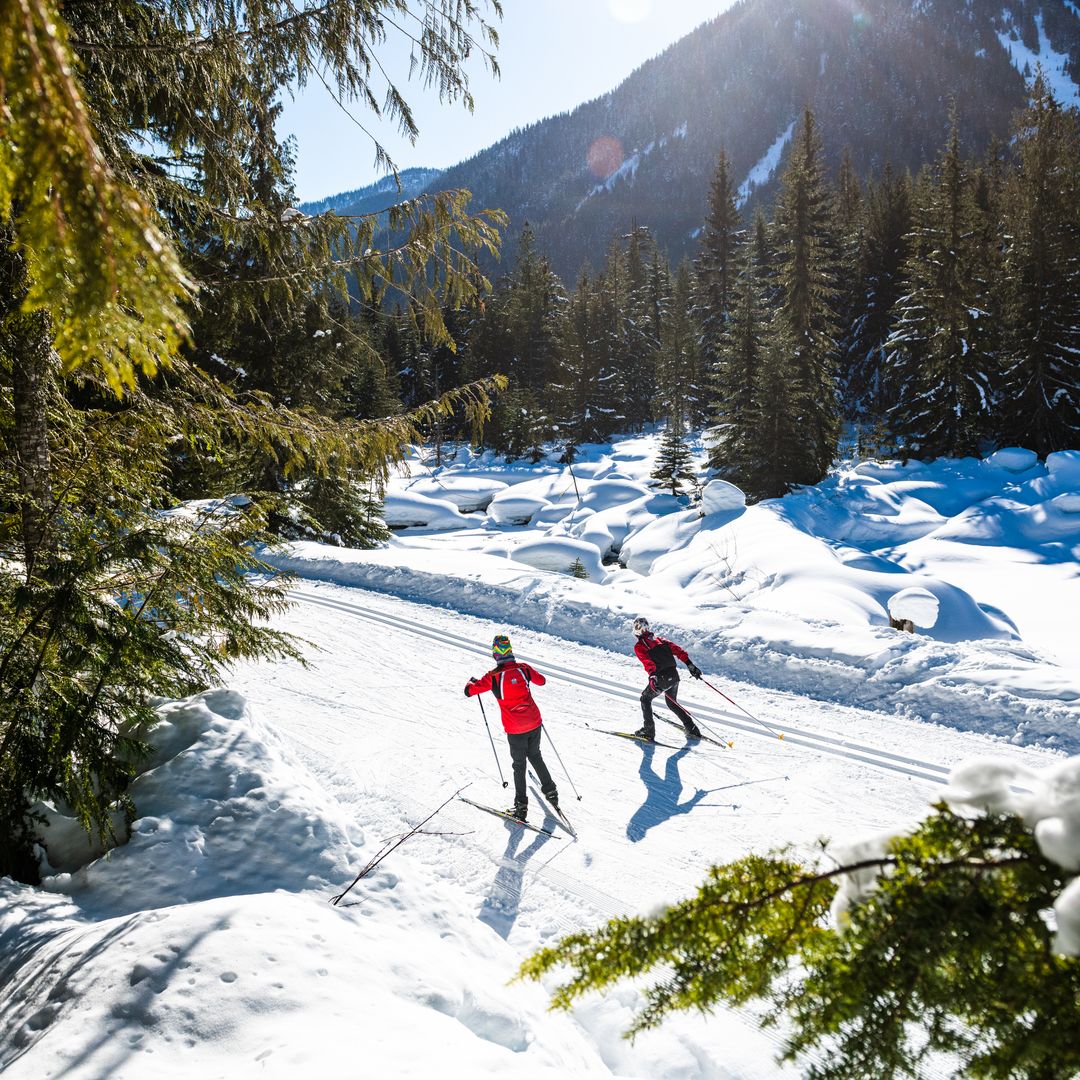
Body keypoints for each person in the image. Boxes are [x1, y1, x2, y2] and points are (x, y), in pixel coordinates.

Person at [464, 634, 559, 822]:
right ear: (510, 651)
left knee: (519, 765)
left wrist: (470, 683)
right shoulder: (523, 668)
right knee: (535, 755)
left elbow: (469, 691)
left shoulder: (493, 676)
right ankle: (551, 792)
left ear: (495, 654)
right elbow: (542, 681)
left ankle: (521, 808)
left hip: (515, 729)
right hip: (534, 722)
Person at [632, 616, 703, 741]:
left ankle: (648, 731)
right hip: (674, 676)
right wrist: (690, 664)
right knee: (672, 703)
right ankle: (692, 728)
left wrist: (653, 676)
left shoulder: (639, 646)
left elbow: (648, 662)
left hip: (661, 678)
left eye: (637, 627)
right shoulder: (659, 639)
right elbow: (677, 650)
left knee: (645, 698)